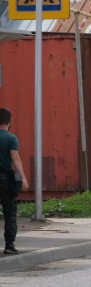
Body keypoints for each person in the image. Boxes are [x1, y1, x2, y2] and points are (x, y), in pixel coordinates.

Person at [0, 109, 28, 255]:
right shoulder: (11, 138)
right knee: (10, 212)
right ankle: (9, 245)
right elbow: (15, 158)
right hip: (5, 180)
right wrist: (23, 177)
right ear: (10, 121)